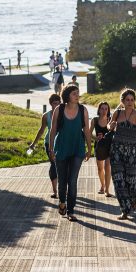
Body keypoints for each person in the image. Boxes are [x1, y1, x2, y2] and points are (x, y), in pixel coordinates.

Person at [49, 85, 92, 222]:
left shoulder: (83, 110)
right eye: (74, 93)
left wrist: (89, 148)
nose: (77, 95)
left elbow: (86, 130)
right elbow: (53, 129)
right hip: (61, 147)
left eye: (78, 93)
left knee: (72, 180)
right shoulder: (59, 109)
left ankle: (71, 210)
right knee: (62, 181)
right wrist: (51, 148)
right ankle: (62, 201)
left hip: (77, 148)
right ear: (67, 95)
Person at [108, 89, 136, 220]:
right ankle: (124, 210)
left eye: (132, 100)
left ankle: (132, 200)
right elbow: (109, 126)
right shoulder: (117, 113)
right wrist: (111, 125)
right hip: (116, 151)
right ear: (122, 101)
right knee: (118, 180)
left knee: (132, 181)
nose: (130, 102)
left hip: (132, 152)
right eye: (127, 100)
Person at [29, 93, 62, 199]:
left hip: (62, 142)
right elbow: (41, 130)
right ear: (50, 104)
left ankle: (62, 189)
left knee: (62, 165)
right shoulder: (46, 116)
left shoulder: (64, 114)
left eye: (58, 103)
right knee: (54, 164)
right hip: (49, 142)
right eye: (54, 103)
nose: (56, 105)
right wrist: (33, 144)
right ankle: (55, 191)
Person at [90, 102, 112, 197]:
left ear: (108, 110)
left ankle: (107, 189)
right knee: (100, 168)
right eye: (102, 109)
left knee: (108, 167)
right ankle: (102, 185)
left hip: (109, 146)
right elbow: (89, 133)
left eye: (106, 109)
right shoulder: (94, 120)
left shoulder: (110, 120)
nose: (104, 111)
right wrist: (96, 138)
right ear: (98, 110)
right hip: (99, 147)